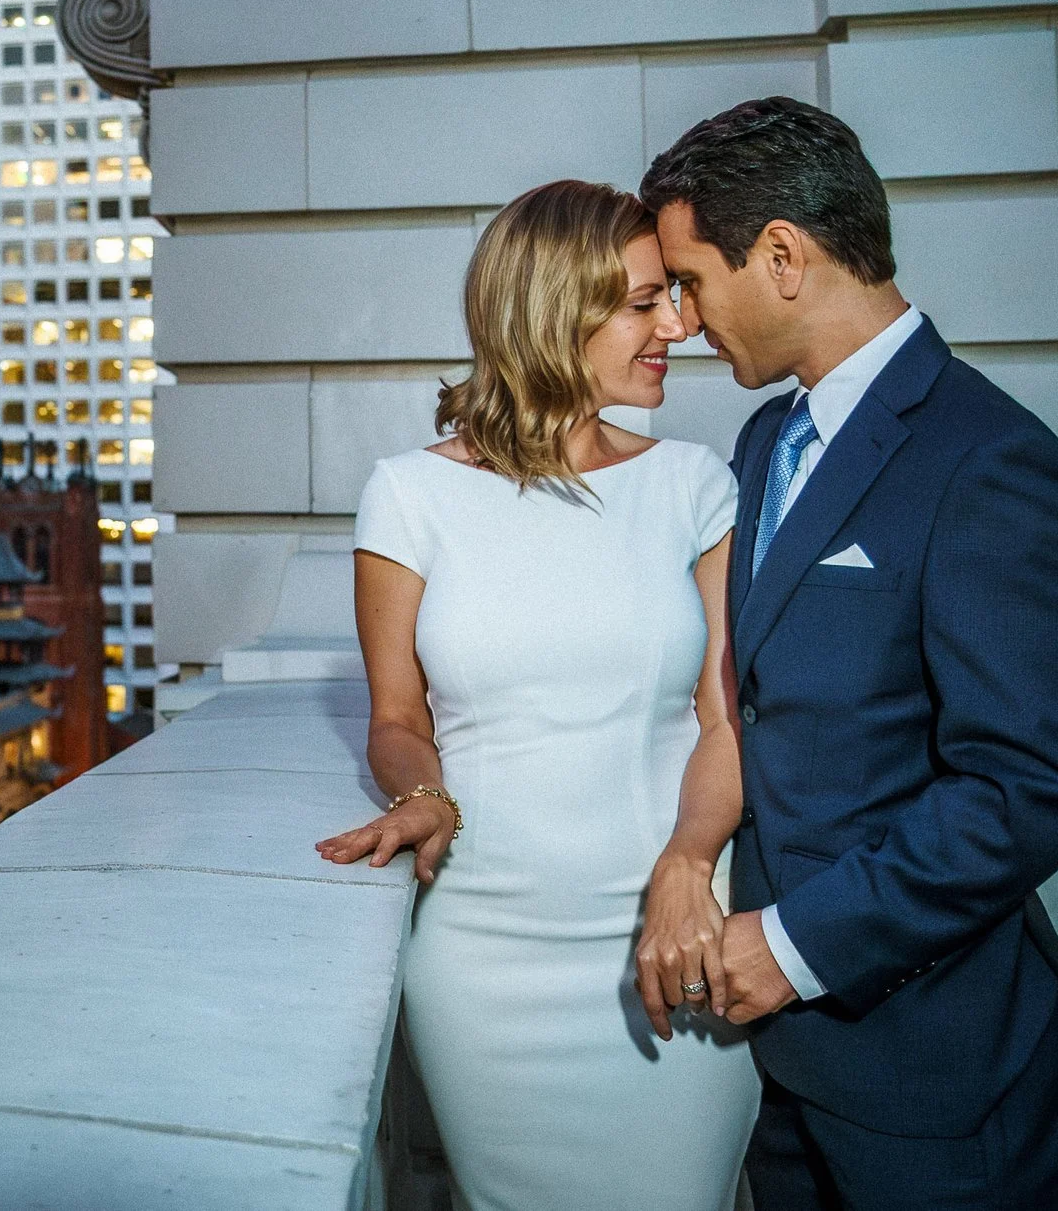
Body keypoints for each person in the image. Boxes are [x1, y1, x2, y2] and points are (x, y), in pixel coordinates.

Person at [640, 97, 1058, 1210]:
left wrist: (799, 943)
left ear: (782, 255)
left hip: (943, 1079)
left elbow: (1037, 782)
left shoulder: (993, 461)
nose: (683, 314)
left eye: (690, 278)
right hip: (785, 1073)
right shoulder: (766, 439)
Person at [316, 179, 759, 1211]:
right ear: (554, 310)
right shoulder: (409, 493)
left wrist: (691, 864)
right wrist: (421, 796)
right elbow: (395, 717)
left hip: (672, 929)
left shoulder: (695, 483)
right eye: (644, 302)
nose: (676, 323)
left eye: (672, 296)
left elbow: (723, 717)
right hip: (483, 947)